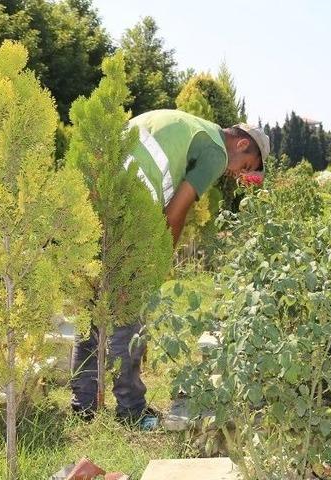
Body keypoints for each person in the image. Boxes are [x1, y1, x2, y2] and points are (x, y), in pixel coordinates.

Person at [71, 109, 270, 428]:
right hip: (130, 208)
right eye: (245, 166)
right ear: (242, 144)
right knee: (127, 310)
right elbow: (177, 211)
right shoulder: (216, 151)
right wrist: (161, 259)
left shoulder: (189, 124)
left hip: (97, 192)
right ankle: (131, 410)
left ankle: (83, 404)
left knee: (95, 307)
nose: (237, 174)